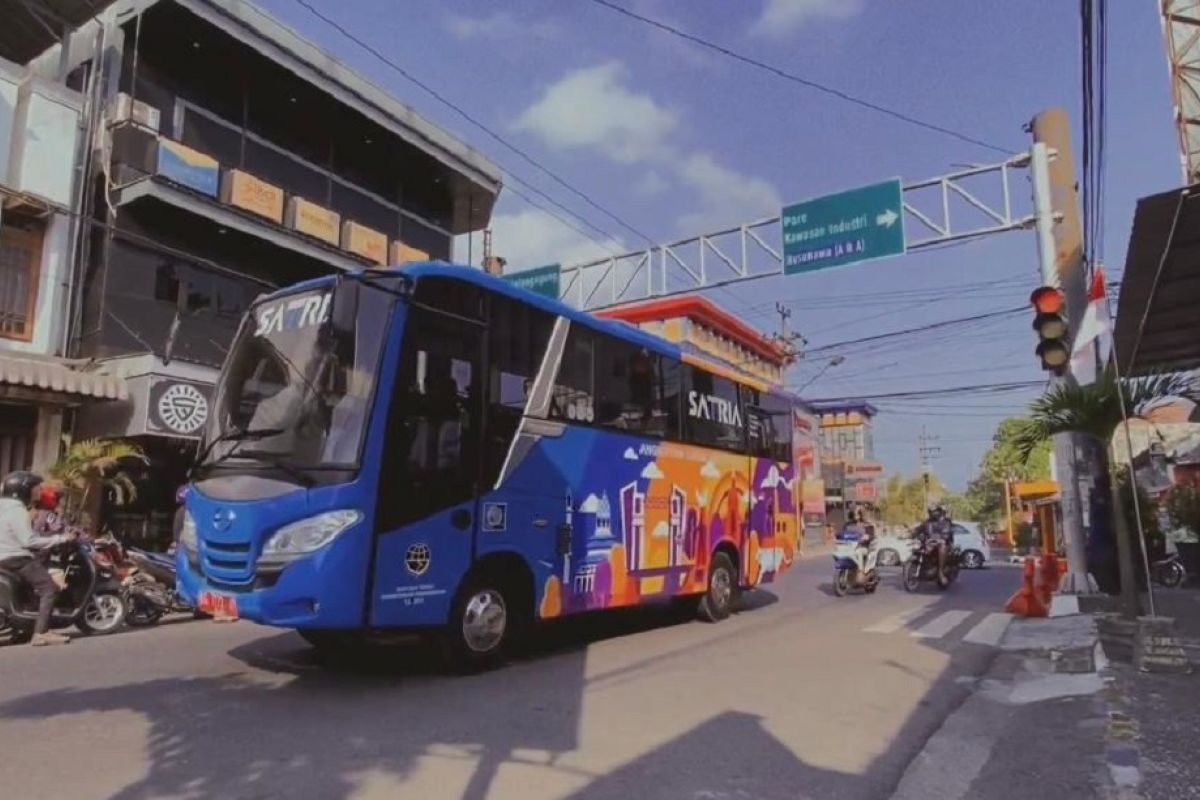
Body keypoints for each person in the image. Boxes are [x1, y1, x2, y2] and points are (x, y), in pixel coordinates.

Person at [0, 471, 74, 645]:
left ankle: (25, 626)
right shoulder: (16, 510)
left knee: (29, 589)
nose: (39, 492)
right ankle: (41, 632)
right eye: (35, 488)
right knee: (49, 588)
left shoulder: (3, 505)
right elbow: (29, 540)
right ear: (23, 489)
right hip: (16, 557)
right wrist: (61, 538)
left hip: (4, 557)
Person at [917, 505, 954, 584]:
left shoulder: (946, 521)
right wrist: (909, 535)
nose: (933, 513)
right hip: (931, 543)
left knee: (942, 547)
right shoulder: (927, 522)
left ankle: (940, 572)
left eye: (935, 511)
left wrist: (941, 539)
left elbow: (946, 533)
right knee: (920, 547)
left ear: (940, 512)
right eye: (931, 512)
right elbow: (918, 529)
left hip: (945, 543)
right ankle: (924, 569)